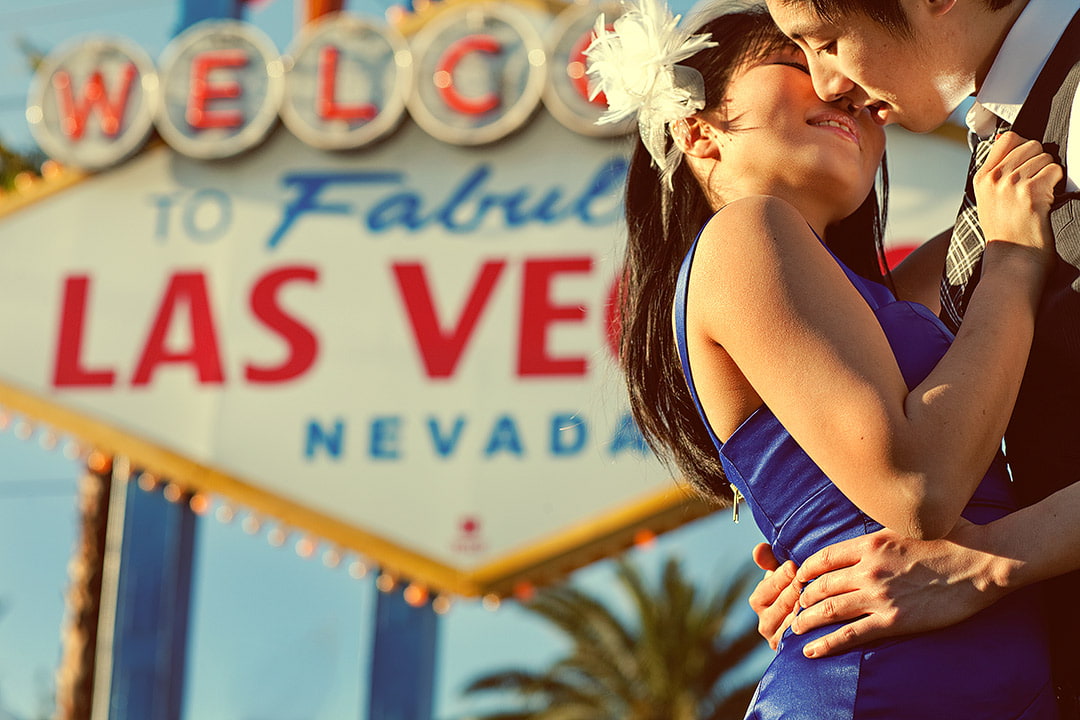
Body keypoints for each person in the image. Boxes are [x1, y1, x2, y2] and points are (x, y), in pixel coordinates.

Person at [586, 0, 1061, 715]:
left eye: (844, 64)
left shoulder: (891, 293)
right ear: (698, 130)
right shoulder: (745, 232)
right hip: (879, 683)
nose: (842, 88)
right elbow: (917, 489)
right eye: (797, 56)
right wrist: (1016, 267)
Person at [749, 0, 1080, 713]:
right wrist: (828, 561)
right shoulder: (1005, 147)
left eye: (828, 41)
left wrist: (985, 563)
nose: (826, 82)